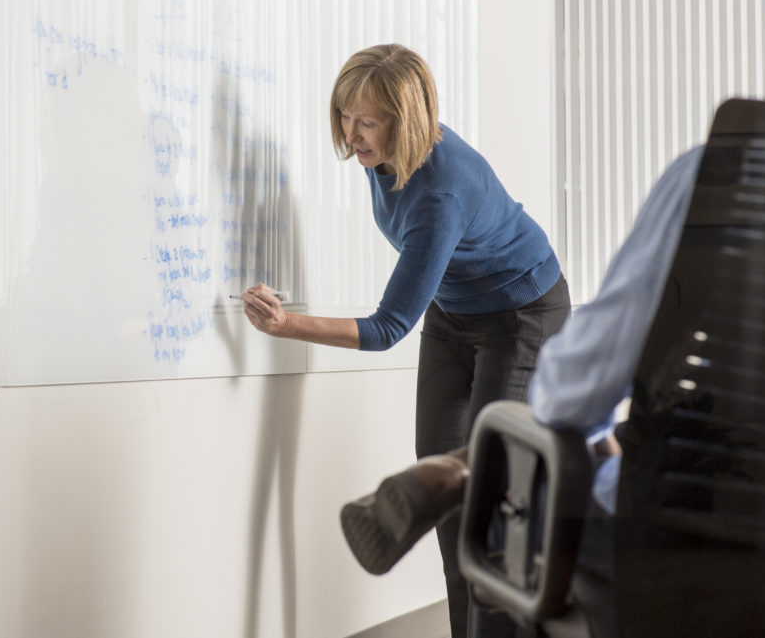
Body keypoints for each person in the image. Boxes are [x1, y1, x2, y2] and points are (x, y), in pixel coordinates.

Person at [338, 0, 765, 618]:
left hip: (703, 555)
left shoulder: (717, 176)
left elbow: (570, 388)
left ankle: (456, 471)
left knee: (559, 460)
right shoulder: (413, 180)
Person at [237, 43, 570, 638]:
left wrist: (287, 326)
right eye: (345, 115)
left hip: (523, 314)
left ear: (406, 119)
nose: (352, 133)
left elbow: (388, 327)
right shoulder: (381, 159)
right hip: (454, 312)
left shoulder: (442, 192)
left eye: (367, 121)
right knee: (437, 490)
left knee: (491, 491)